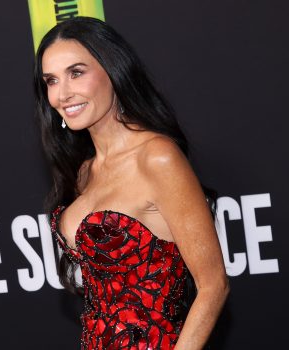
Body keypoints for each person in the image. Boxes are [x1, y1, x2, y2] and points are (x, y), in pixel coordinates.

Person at [35, 17, 229, 349]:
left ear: (113, 70)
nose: (62, 94)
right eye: (51, 81)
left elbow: (213, 285)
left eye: (76, 73)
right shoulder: (83, 172)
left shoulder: (156, 158)